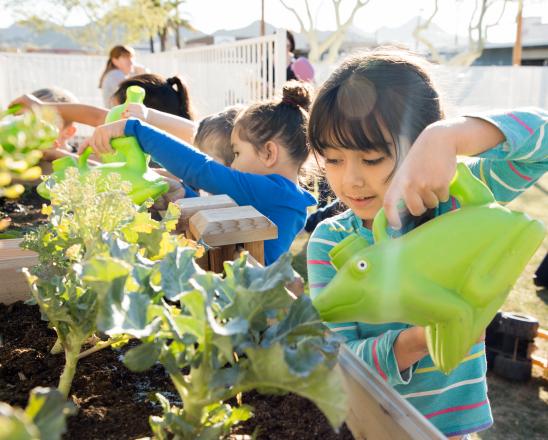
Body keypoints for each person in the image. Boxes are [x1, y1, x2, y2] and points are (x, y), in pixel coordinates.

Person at [306, 48, 547, 438]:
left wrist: (449, 136)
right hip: (373, 426)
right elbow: (340, 358)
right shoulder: (331, 241)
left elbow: (543, 137)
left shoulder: (456, 199)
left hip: (451, 429)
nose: (350, 180)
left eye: (372, 159)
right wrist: (421, 338)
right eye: (332, 160)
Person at [80, 81, 317, 265]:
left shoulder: (274, 191)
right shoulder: (280, 195)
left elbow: (201, 170)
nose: (233, 165)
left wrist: (135, 129)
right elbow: (230, 222)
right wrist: (184, 192)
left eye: (236, 153)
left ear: (268, 153)